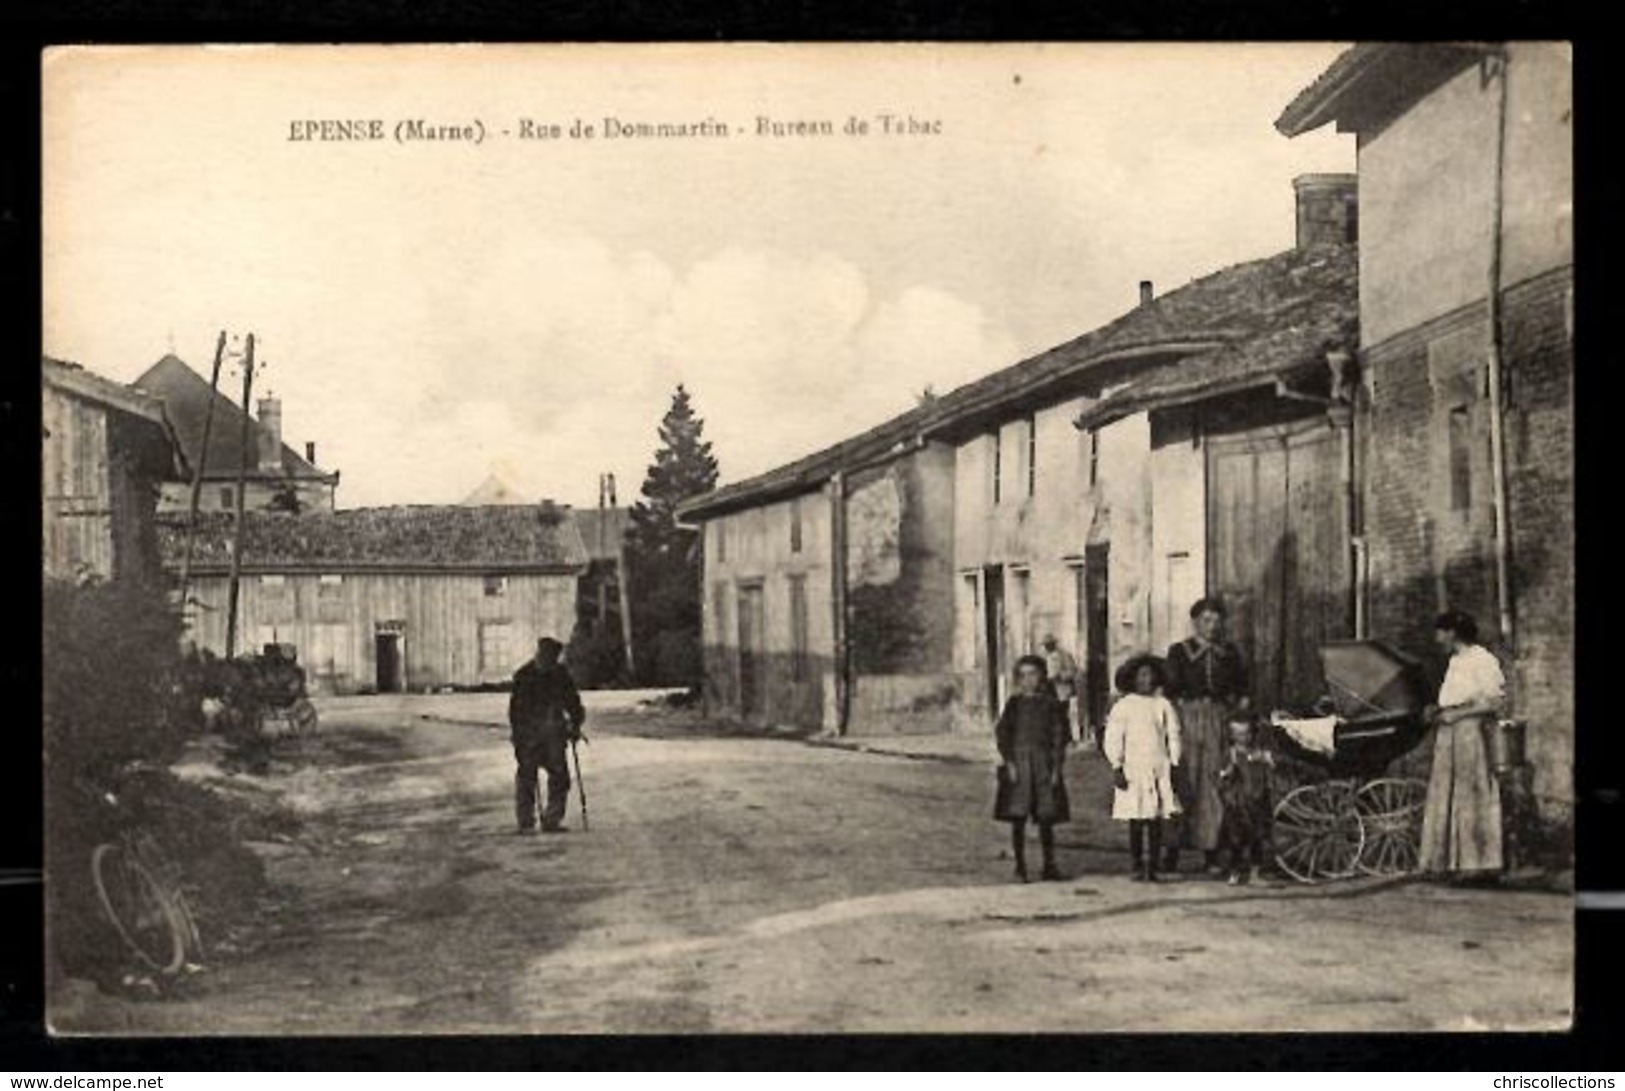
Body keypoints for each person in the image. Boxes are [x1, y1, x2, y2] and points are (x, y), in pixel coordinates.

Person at [1164, 597, 1251, 876]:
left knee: (1214, 784)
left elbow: (1242, 690)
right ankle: (1172, 852)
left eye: (1216, 621)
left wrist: (1238, 712)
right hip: (1187, 720)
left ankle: (1211, 852)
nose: (1212, 626)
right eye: (1206, 620)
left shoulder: (1230, 653)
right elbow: (1169, 690)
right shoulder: (1179, 652)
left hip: (1218, 721)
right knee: (1183, 781)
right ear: (1195, 622)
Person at [1419, 610, 1506, 879]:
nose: (1437, 638)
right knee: (1447, 792)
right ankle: (1448, 861)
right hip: (1449, 734)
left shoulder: (1483, 660)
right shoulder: (1456, 661)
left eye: (1440, 632)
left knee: (1472, 791)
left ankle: (1478, 863)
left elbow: (1493, 701)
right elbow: (1454, 698)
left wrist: (1457, 715)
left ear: (1452, 633)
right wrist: (1437, 710)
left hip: (1470, 733)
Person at [1104, 654, 1183, 882]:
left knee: (1156, 818)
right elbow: (1113, 737)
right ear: (1133, 679)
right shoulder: (1123, 706)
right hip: (1134, 768)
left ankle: (1154, 865)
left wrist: (1175, 761)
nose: (1146, 680)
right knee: (1136, 819)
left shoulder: (1163, 705)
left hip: (1158, 765)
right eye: (1141, 675)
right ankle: (1137, 863)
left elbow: (1173, 735)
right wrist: (1117, 765)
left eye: (1150, 675)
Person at [993, 655, 1072, 883]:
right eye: (1024, 675)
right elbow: (1003, 735)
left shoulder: (1051, 705)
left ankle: (1049, 865)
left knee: (1046, 817)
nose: (1029, 680)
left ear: (1042, 677)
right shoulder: (1014, 704)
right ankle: (1020, 867)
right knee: (1018, 817)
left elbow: (1060, 737)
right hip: (1019, 765)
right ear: (1018, 679)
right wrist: (1009, 762)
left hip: (1044, 765)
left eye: (1033, 674)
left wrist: (1057, 767)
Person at [508, 637, 586, 834]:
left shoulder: (561, 674)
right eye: (545, 657)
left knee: (560, 776)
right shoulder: (524, 676)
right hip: (529, 736)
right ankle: (525, 822)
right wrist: (518, 737)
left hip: (554, 734)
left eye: (552, 659)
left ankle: (552, 819)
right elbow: (515, 712)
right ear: (539, 654)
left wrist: (575, 725)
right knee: (527, 777)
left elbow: (574, 703)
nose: (548, 662)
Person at [1215, 717, 1275, 886]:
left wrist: (1265, 760)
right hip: (1238, 804)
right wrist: (1227, 772)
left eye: (1247, 733)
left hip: (1256, 801)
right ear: (1233, 735)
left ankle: (1255, 873)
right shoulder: (1231, 753)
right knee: (1236, 839)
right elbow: (1220, 776)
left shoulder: (1257, 752)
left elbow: (1269, 768)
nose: (1244, 737)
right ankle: (1235, 871)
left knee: (1257, 837)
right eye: (1239, 734)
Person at [1040, 633, 1083, 746]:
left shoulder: (1064, 655)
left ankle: (1067, 739)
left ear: (1054, 644)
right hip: (1048, 689)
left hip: (1062, 689)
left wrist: (1060, 676)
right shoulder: (1044, 657)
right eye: (1046, 645)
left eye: (1049, 645)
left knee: (1063, 714)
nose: (1047, 647)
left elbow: (1072, 671)